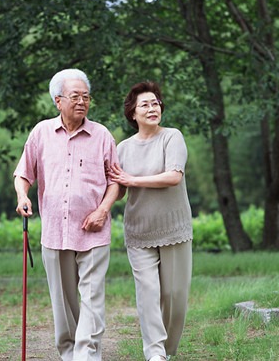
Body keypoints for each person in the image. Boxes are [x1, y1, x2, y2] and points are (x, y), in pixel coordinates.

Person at [13, 68, 120, 361]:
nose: (82, 102)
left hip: (94, 231)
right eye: (75, 97)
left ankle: (86, 354)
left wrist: (103, 209)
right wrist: (22, 196)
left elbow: (116, 182)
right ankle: (69, 353)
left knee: (92, 297)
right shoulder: (41, 133)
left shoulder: (102, 136)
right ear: (57, 101)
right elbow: (23, 173)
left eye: (86, 97)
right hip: (54, 232)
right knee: (63, 302)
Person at [108, 81, 193, 361]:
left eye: (155, 103)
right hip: (139, 232)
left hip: (173, 229)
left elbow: (173, 176)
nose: (152, 108)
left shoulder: (172, 137)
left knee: (174, 296)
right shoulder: (122, 148)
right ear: (132, 113)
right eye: (145, 104)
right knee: (148, 294)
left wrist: (133, 180)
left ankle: (167, 351)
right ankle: (155, 354)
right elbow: (118, 190)